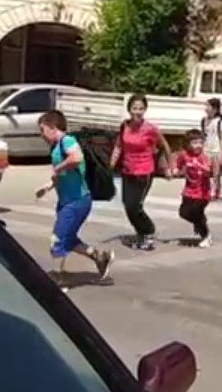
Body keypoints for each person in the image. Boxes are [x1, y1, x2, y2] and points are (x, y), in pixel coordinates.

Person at [36, 110, 114, 290]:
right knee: (69, 240)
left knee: (57, 239)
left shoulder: (67, 141)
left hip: (76, 201)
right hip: (67, 201)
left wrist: (57, 169)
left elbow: (76, 158)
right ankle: (100, 258)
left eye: (43, 130)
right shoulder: (57, 147)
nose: (41, 135)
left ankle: (58, 279)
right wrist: (48, 186)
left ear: (52, 127)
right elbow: (65, 172)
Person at [111, 94, 173, 251]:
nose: (137, 112)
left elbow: (165, 147)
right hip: (127, 170)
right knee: (127, 205)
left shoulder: (150, 129)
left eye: (140, 108)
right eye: (134, 108)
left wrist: (170, 167)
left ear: (145, 110)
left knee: (135, 206)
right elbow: (119, 146)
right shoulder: (124, 126)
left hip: (144, 172)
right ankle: (142, 234)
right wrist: (110, 166)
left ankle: (148, 231)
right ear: (129, 110)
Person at [176, 129, 213, 248]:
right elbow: (178, 166)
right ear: (188, 144)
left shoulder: (204, 157)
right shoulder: (184, 155)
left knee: (197, 212)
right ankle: (199, 222)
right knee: (184, 213)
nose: (198, 146)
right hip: (189, 190)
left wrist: (203, 168)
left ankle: (206, 235)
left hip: (202, 192)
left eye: (200, 142)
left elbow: (209, 170)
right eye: (195, 143)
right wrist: (174, 171)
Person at [202, 97, 222, 200]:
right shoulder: (204, 120)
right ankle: (206, 190)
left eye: (208, 106)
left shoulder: (219, 121)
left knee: (216, 173)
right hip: (206, 149)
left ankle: (216, 191)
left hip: (216, 149)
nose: (206, 108)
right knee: (206, 172)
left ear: (215, 109)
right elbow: (203, 135)